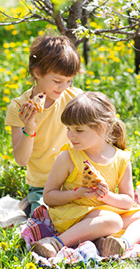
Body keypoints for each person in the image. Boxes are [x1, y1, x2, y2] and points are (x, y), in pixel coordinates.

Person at [31, 92, 140, 258]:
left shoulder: (121, 159)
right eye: (68, 129)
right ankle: (55, 242)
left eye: (78, 130)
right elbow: (49, 197)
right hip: (73, 215)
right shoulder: (68, 158)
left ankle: (121, 244)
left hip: (106, 212)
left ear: (103, 128)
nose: (70, 135)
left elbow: (128, 201)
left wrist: (107, 197)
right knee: (112, 221)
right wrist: (76, 194)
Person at [5, 36, 82, 217]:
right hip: (44, 185)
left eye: (69, 81)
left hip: (74, 180)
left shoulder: (74, 98)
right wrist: (29, 128)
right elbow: (22, 160)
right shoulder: (19, 107)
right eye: (57, 81)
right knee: (47, 218)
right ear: (38, 72)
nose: (63, 87)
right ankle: (32, 202)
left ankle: (30, 204)